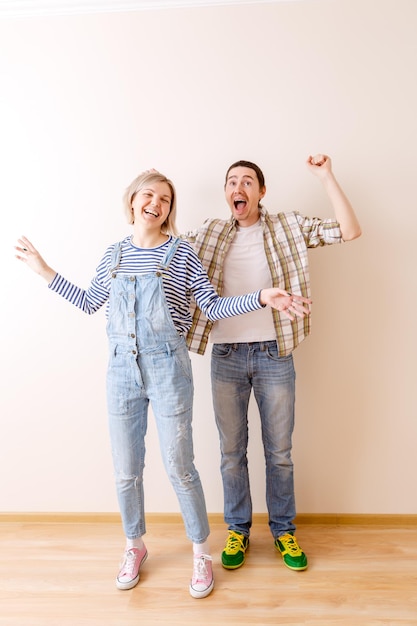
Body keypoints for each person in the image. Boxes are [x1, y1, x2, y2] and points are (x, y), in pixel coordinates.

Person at [15, 170, 311, 599]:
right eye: (149, 195)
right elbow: (88, 302)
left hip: (168, 369)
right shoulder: (112, 255)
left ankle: (200, 554)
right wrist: (45, 270)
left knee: (179, 466)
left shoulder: (182, 253)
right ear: (132, 201)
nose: (156, 203)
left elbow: (211, 305)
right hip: (120, 372)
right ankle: (134, 546)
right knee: (125, 471)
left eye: (166, 200)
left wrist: (263, 296)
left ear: (169, 211)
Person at [184, 154, 361, 572]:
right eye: (231, 182)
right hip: (225, 356)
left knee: (279, 452)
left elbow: (350, 231)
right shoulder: (208, 233)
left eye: (247, 182)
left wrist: (326, 177)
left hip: (274, 353)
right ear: (226, 194)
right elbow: (164, 246)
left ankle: (284, 532)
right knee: (231, 452)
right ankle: (237, 530)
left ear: (261, 192)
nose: (238, 188)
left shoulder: (288, 227)